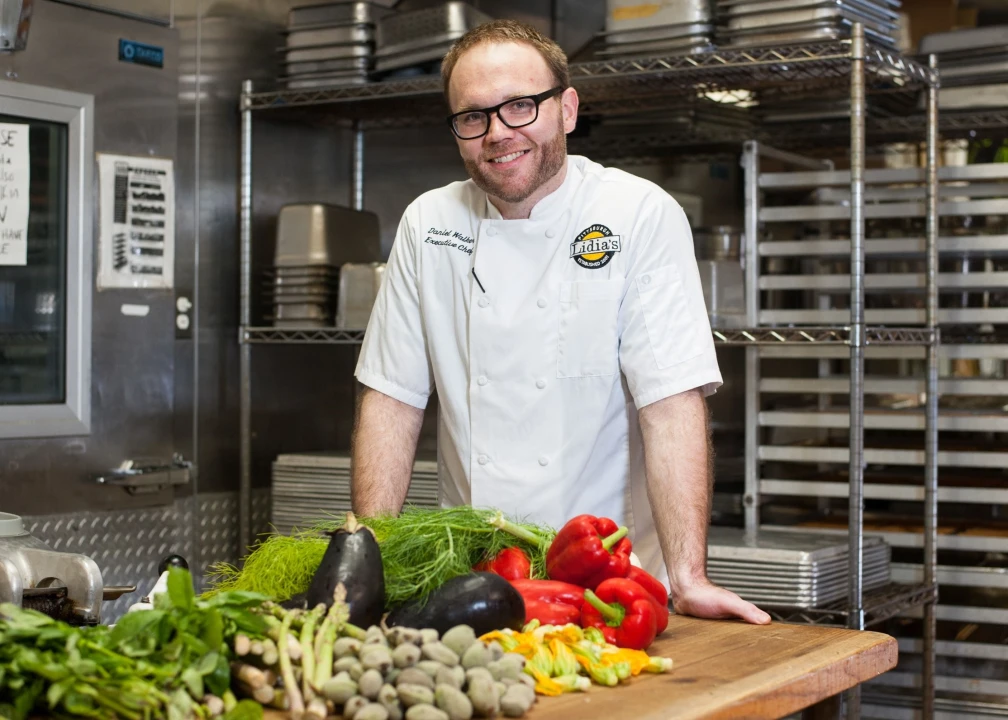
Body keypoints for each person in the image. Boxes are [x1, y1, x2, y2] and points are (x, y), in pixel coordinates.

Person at [351, 18, 770, 625]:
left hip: (609, 584)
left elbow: (670, 401)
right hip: (475, 580)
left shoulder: (637, 213)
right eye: (473, 116)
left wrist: (688, 577)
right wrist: (369, 559)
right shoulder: (427, 222)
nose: (498, 133)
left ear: (567, 109)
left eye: (521, 106)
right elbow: (391, 399)